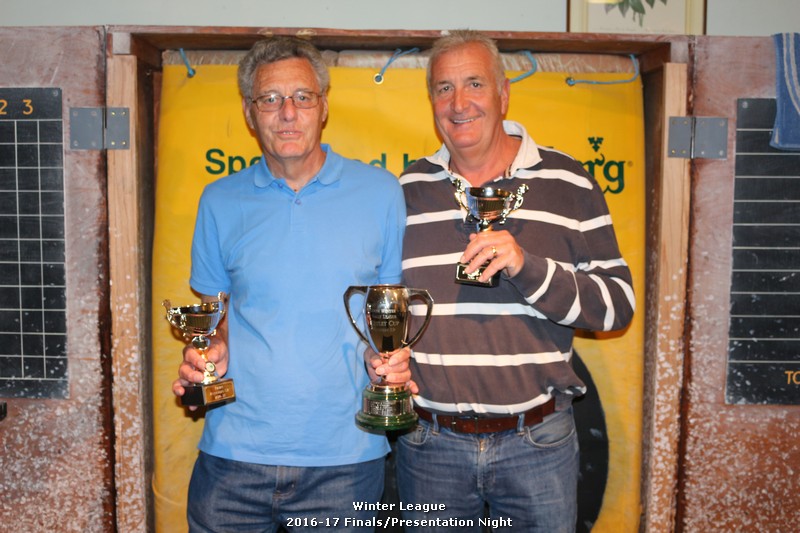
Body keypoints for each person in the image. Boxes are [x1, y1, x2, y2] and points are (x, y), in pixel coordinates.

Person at [396, 30, 636, 532]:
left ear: (504, 94)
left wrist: (529, 267)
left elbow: (617, 307)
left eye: (474, 84)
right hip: (430, 445)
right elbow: (384, 305)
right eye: (443, 88)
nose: (459, 103)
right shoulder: (406, 190)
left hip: (538, 444)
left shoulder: (569, 182)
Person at [171, 36, 413, 532]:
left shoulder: (381, 193)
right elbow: (215, 319)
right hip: (232, 459)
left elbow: (387, 317)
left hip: (346, 461)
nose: (287, 113)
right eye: (270, 99)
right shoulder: (218, 201)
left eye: (302, 97)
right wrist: (207, 355)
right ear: (248, 112)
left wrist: (387, 361)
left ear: (323, 106)